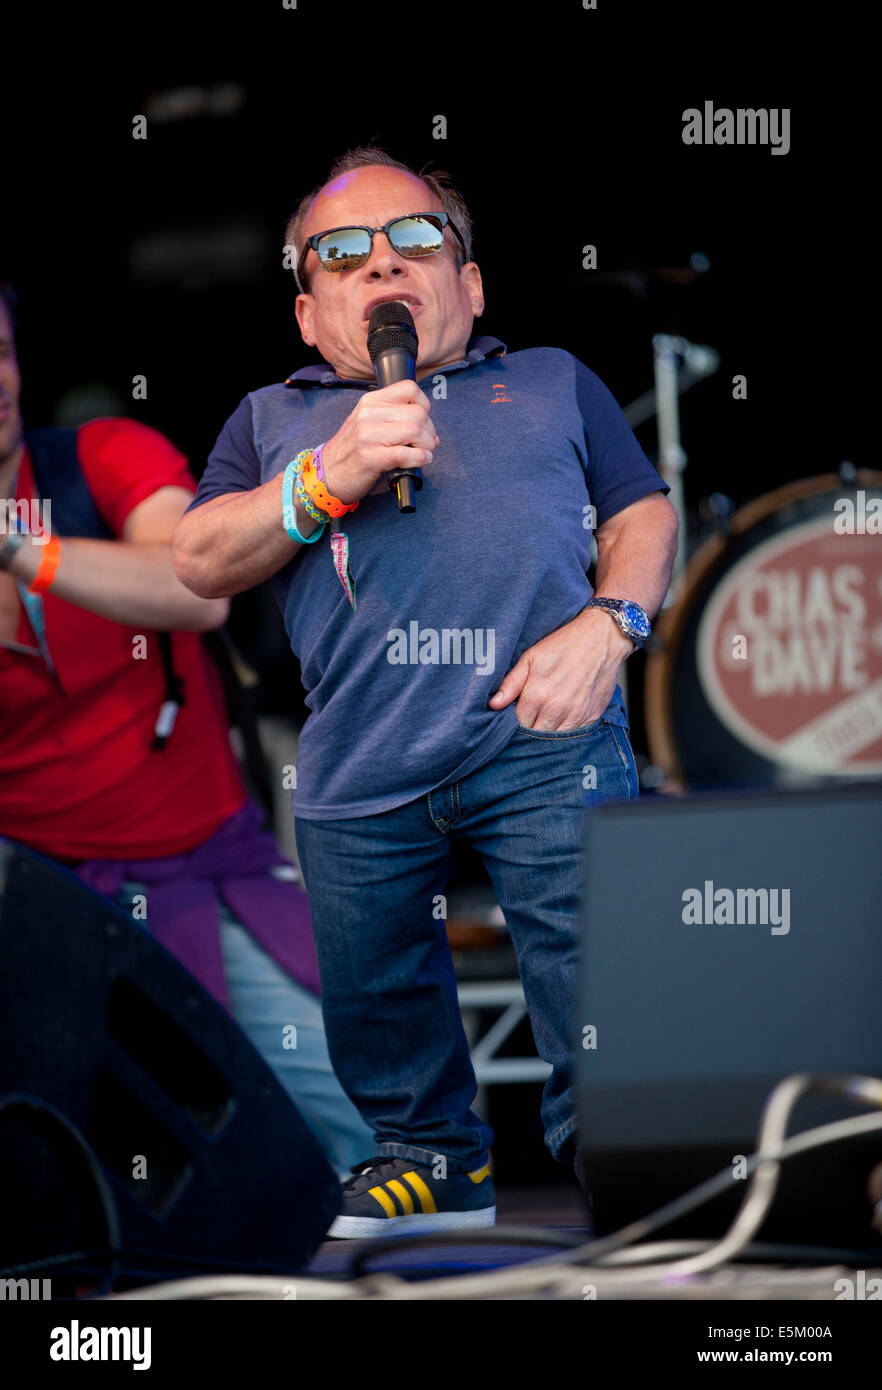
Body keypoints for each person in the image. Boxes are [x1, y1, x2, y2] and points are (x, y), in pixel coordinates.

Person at [173, 147, 679, 1238]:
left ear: (472, 285)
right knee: (376, 993)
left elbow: (645, 514)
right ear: (311, 315)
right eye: (343, 254)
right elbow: (199, 560)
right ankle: (432, 1160)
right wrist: (326, 476)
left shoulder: (550, 379)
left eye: (415, 241)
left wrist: (612, 624)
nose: (382, 265)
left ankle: (633, 1164)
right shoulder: (274, 418)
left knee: (597, 978)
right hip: (362, 760)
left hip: (544, 728)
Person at [0, 281, 373, 1178]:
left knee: (373, 1130)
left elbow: (194, 587)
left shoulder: (99, 456)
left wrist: (19, 548)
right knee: (74, 1174)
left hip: (203, 875)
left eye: (3, 351)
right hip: (33, 912)